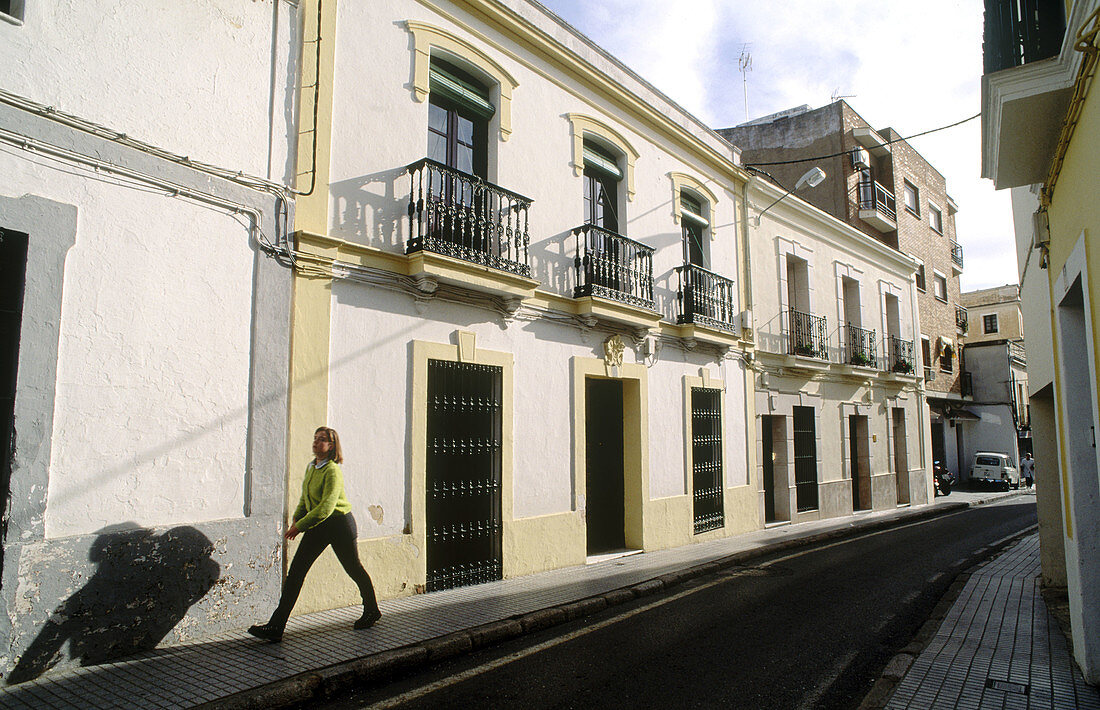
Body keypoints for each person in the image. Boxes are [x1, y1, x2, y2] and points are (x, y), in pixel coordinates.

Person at [249, 426, 381, 642]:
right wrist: (296, 518)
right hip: (319, 525)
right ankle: (276, 627)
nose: (316, 442)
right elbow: (305, 499)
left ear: (331, 446)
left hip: (339, 525)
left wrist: (300, 526)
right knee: (296, 573)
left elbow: (326, 507)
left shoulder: (332, 470)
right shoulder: (312, 467)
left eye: (322, 440)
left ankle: (372, 610)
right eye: (315, 438)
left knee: (353, 568)